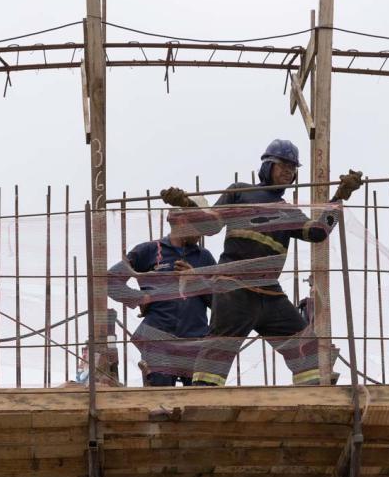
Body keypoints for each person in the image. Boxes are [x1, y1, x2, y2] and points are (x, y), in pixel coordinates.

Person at [160, 139, 362, 386]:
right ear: (267, 166)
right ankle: (202, 397)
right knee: (217, 353)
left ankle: (311, 397)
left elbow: (318, 232)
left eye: (292, 168)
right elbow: (209, 226)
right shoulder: (239, 192)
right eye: (282, 165)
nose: (288, 171)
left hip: (269, 293)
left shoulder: (288, 211)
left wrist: (339, 197)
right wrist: (187, 205)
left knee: (305, 349)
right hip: (234, 288)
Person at [107, 208, 217, 386]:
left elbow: (220, 302)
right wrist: (140, 297)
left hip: (195, 340)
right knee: (160, 395)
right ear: (182, 222)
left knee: (198, 396)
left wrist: (197, 280)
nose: (202, 231)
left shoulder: (204, 257)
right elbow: (110, 281)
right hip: (157, 338)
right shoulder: (149, 251)